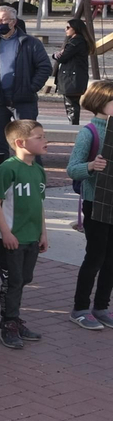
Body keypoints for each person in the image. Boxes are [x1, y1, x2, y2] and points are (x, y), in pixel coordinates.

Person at [0, 119, 49, 350]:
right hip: (11, 237)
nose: (45, 141)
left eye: (44, 136)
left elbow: (40, 204)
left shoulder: (39, 171)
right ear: (20, 142)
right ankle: (8, 323)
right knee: (11, 280)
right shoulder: (7, 169)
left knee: (24, 278)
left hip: (31, 236)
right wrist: (6, 232)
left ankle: (14, 317)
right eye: (39, 137)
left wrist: (43, 233)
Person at [67, 79, 113, 330]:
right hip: (96, 203)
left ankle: (102, 307)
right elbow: (72, 169)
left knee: (111, 260)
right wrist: (91, 166)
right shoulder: (90, 132)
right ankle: (80, 308)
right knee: (95, 257)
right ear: (101, 103)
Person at [0, 5, 51, 154]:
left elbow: (45, 67)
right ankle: (1, 175)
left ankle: (32, 175)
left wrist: (31, 87)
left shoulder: (30, 43)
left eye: (3, 20)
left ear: (13, 21)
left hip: (24, 101)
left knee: (29, 141)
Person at [55, 18, 91, 126]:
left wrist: (56, 55)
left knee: (71, 104)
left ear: (75, 29)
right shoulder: (80, 41)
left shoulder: (76, 42)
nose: (65, 30)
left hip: (72, 78)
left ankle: (73, 126)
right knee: (72, 103)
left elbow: (63, 57)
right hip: (76, 77)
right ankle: (73, 124)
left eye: (68, 27)